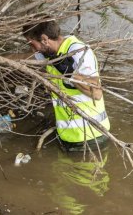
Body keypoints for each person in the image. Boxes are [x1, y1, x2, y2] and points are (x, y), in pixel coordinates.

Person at [22, 20, 110, 151]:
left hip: (90, 139)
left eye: (32, 44)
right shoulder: (50, 53)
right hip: (68, 136)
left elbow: (96, 93)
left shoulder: (78, 52)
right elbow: (26, 58)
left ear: (44, 39)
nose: (33, 49)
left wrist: (71, 74)